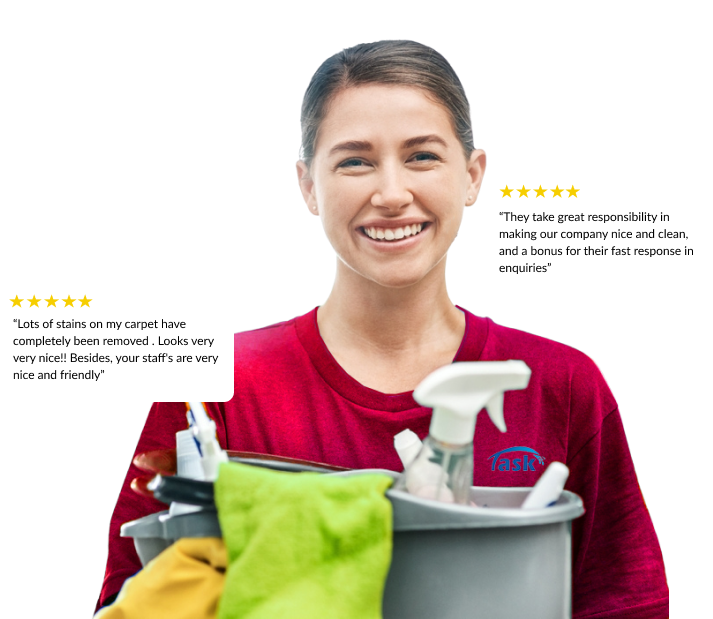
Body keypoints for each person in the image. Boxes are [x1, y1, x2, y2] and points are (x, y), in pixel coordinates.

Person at [95, 40, 669, 617]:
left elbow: (624, 603)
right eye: (354, 160)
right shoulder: (216, 387)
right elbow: (135, 600)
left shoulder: (562, 383)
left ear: (473, 177)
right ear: (308, 186)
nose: (392, 194)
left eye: (422, 156)